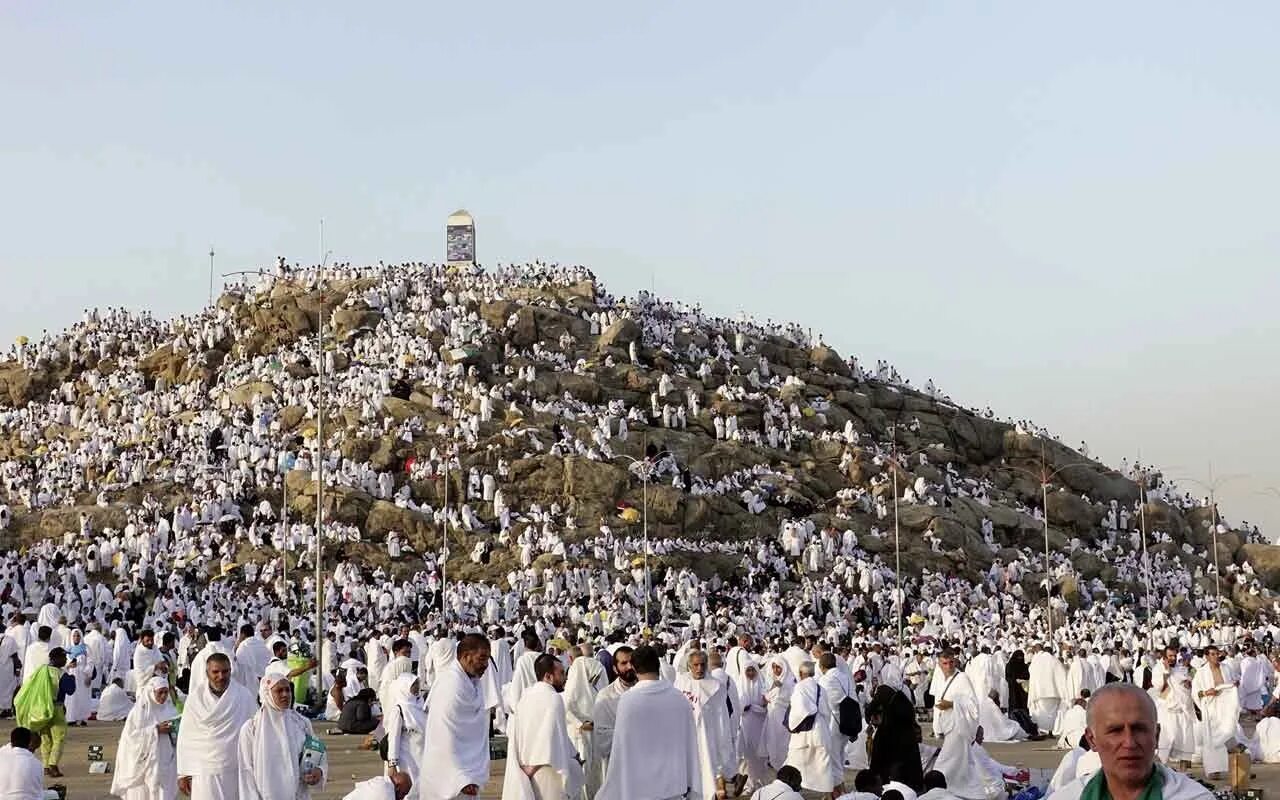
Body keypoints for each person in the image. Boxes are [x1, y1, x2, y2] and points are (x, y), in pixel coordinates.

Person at [1050, 684, 1212, 800]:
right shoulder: (1069, 796)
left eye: (1139, 729)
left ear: (1156, 736)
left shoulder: (1192, 796)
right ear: (1092, 740)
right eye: (1115, 731)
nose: (1129, 743)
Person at [596, 644, 700, 800]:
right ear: (658, 665)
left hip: (639, 789)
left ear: (634, 667)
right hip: (673, 787)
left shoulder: (629, 700)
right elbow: (690, 743)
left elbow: (622, 750)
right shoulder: (679, 698)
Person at [418, 634, 495, 800]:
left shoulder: (473, 683)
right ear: (466, 656)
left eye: (487, 659)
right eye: (481, 658)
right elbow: (444, 736)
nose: (486, 665)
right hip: (450, 779)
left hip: (468, 775)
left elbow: (471, 731)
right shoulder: (450, 685)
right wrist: (460, 778)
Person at [501, 653, 584, 800]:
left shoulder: (526, 697)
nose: (564, 678)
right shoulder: (553, 698)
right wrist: (532, 768)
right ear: (548, 676)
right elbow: (548, 737)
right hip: (548, 769)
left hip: (528, 770)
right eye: (561, 673)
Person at [238, 665, 328, 800]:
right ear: (267, 694)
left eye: (287, 690)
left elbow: (317, 753)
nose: (285, 694)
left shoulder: (302, 723)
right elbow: (246, 772)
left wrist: (319, 771)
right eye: (279, 691)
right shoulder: (251, 729)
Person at [176, 653, 256, 800]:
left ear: (231, 671)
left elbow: (255, 732)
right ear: (207, 673)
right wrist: (183, 773)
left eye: (225, 671)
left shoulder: (244, 696)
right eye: (215, 672)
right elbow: (186, 737)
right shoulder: (195, 699)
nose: (221, 676)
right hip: (203, 770)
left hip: (235, 768)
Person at [674, 649, 735, 800]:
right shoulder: (681, 682)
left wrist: (724, 743)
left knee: (707, 777)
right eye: (695, 665)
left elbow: (722, 719)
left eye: (702, 665)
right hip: (685, 738)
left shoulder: (716, 686)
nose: (699, 669)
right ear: (689, 666)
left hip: (708, 739)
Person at [926, 649, 985, 800]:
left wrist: (952, 704)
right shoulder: (941, 680)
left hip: (959, 726)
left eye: (951, 662)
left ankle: (938, 788)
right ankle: (958, 787)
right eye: (945, 663)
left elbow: (972, 704)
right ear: (940, 665)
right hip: (948, 726)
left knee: (946, 761)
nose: (949, 666)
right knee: (960, 763)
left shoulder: (962, 678)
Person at [110, 675, 179, 800]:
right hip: (145, 762)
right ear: (151, 692)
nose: (163, 696)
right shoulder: (139, 712)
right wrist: (156, 730)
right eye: (160, 693)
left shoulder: (170, 709)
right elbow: (130, 738)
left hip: (165, 759)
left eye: (165, 692)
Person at [14, 645, 74, 777]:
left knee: (46, 738)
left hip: (42, 710)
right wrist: (71, 677)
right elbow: (70, 690)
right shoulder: (60, 674)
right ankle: (53, 765)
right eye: (63, 657)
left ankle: (45, 766)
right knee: (59, 737)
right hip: (56, 709)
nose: (65, 660)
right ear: (56, 658)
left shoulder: (40, 671)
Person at [784, 661, 837, 795]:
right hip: (821, 731)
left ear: (801, 674)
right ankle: (828, 795)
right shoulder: (821, 689)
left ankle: (792, 794)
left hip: (803, 733)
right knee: (823, 766)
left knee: (795, 763)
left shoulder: (800, 687)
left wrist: (792, 725)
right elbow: (826, 711)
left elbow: (798, 710)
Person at [588, 645, 634, 796]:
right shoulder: (606, 696)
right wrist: (633, 734)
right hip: (618, 765)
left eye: (632, 662)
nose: (629, 667)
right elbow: (601, 737)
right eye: (624, 663)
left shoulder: (646, 691)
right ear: (615, 669)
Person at [1191, 645, 1240, 780]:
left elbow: (1235, 680)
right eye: (1212, 654)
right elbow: (1196, 692)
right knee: (1211, 739)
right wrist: (1207, 692)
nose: (1215, 656)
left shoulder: (1226, 668)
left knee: (1229, 731)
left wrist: (1235, 684)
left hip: (1225, 707)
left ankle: (1238, 763)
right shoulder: (1201, 673)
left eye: (1217, 654)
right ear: (1206, 657)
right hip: (1211, 708)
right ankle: (1214, 769)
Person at [866, 684, 923, 791]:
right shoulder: (902, 700)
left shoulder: (885, 698)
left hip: (890, 742)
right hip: (907, 744)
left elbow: (869, 710)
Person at [383, 675, 426, 800]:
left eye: (417, 684)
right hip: (406, 758)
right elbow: (393, 738)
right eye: (413, 685)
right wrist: (392, 764)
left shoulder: (420, 705)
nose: (416, 688)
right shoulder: (399, 709)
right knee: (408, 788)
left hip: (421, 755)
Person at [0, 727, 44, 800]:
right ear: (29, 743)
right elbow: (38, 792)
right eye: (34, 748)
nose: (33, 751)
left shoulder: (2, 755)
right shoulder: (38, 764)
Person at [342, 774, 412, 800]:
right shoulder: (387, 795)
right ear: (398, 787)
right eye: (403, 793)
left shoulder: (380, 781)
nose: (402, 798)